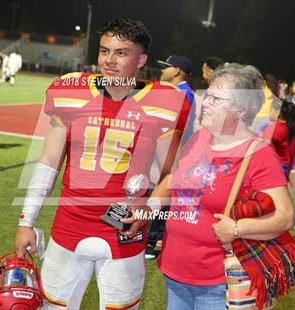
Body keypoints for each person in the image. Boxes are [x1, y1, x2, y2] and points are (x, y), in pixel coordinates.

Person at [15, 18, 190, 310]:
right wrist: (26, 222)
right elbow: (48, 163)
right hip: (68, 228)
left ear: (141, 60)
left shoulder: (165, 101)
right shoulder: (70, 90)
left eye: (121, 52)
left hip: (124, 232)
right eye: (104, 50)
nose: (109, 60)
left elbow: (173, 173)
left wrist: (151, 207)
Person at [134, 63, 295, 309]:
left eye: (215, 99)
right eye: (206, 96)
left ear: (240, 109)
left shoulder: (259, 154)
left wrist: (238, 228)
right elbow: (173, 178)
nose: (205, 103)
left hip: (218, 282)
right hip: (175, 271)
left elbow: (285, 217)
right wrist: (150, 207)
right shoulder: (200, 138)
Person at [143, 55, 196, 260]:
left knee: (163, 195)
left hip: (170, 153)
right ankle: (151, 238)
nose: (162, 71)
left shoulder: (184, 94)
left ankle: (152, 241)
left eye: (166, 68)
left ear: (176, 71)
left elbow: (178, 129)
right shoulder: (177, 92)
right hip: (162, 152)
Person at [262, 99, 295, 181]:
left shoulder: (274, 129)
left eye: (270, 109)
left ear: (277, 112)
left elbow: (263, 153)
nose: (269, 112)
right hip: (285, 167)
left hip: (275, 168)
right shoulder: (292, 128)